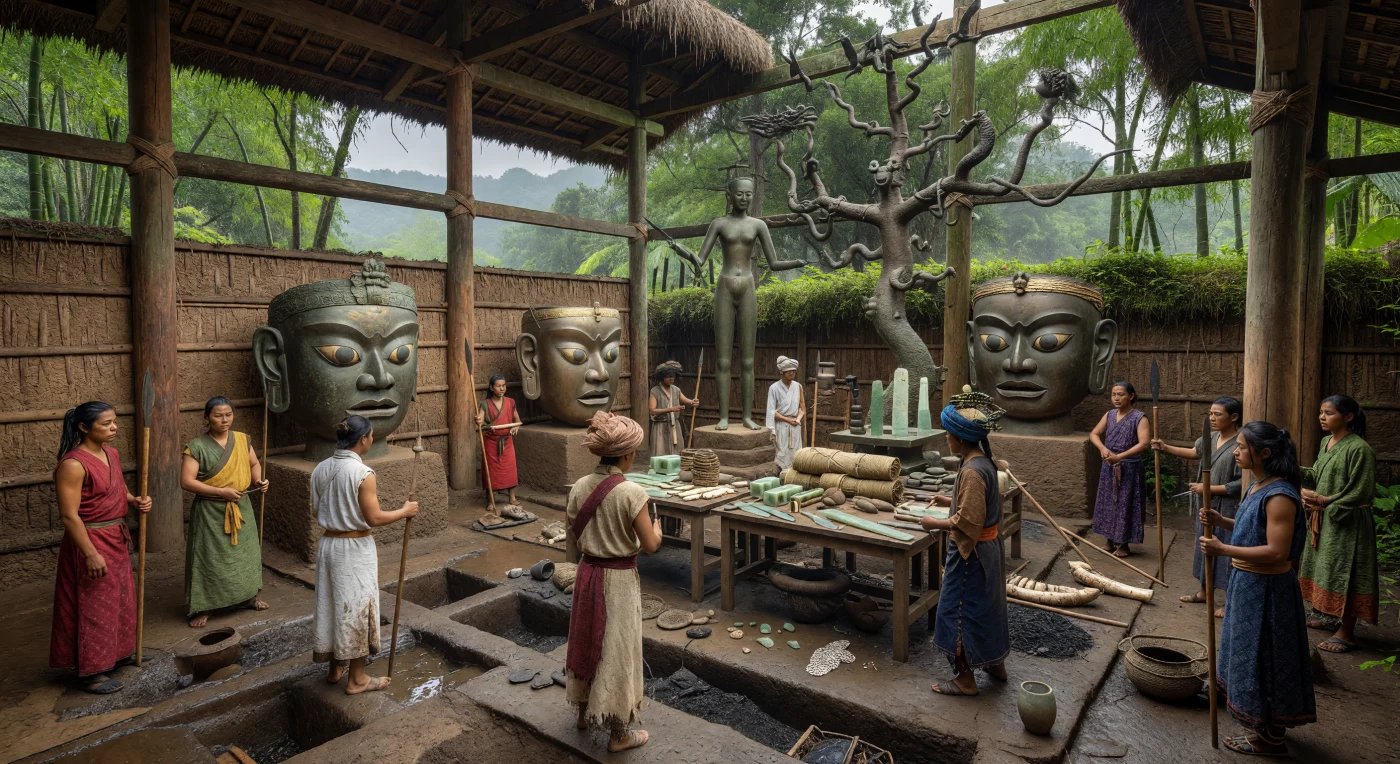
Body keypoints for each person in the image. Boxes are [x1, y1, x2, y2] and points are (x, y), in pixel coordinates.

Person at [1200, 422, 1315, 756]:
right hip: (1248, 584)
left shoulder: (1280, 496)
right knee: (1250, 655)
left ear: (1264, 453)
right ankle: (1261, 728)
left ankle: (1271, 740)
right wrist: (1223, 523)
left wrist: (1223, 549)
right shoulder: (1258, 486)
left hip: (1269, 591)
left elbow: (1277, 551)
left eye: (1241, 447)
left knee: (1267, 657)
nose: (1235, 452)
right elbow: (1254, 529)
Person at [565, 412, 662, 752]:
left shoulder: (579, 486)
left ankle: (583, 713)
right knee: (617, 651)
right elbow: (650, 545)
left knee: (585, 641)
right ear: (627, 455)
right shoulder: (632, 492)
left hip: (587, 574)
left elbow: (572, 539)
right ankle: (619, 735)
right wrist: (658, 530)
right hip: (618, 582)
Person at [310, 415, 418, 695]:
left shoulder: (320, 468)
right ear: (363, 440)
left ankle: (335, 667)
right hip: (353, 549)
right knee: (357, 607)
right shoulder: (362, 473)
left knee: (333, 603)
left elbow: (315, 510)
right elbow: (374, 518)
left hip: (329, 545)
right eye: (370, 435)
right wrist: (404, 511)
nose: (371, 439)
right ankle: (357, 679)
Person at [50, 401, 152, 694]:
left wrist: (134, 501)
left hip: (116, 538)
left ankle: (118, 654)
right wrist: (90, 554)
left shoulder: (112, 453)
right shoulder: (73, 465)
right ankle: (92, 672)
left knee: (120, 599)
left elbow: (116, 487)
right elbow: (69, 516)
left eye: (114, 421)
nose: (114, 427)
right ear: (84, 427)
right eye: (106, 424)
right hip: (90, 540)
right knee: (94, 605)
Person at [921, 386, 1009, 697]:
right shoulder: (983, 462)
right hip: (989, 550)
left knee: (956, 612)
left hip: (972, 555)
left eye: (948, 434)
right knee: (988, 608)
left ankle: (965, 680)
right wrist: (949, 498)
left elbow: (968, 521)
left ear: (959, 438)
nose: (946, 438)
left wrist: (934, 523)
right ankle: (996, 665)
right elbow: (979, 504)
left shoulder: (972, 471)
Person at [1299, 394, 1379, 653]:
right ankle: (1328, 617)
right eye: (1321, 412)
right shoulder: (1326, 442)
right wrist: (1291, 467)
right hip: (1326, 520)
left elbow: (1361, 491)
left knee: (1348, 572)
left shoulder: (1359, 449)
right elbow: (1317, 475)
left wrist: (1323, 500)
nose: (1322, 417)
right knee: (1327, 569)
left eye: (1329, 413)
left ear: (1348, 417)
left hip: (1348, 521)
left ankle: (1347, 633)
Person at [182, 397, 270, 628]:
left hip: (241, 507)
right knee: (210, 558)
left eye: (228, 415)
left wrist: (259, 480)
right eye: (218, 415)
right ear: (206, 418)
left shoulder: (242, 439)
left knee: (244, 556)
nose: (224, 420)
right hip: (210, 512)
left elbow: (254, 464)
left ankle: (247, 597)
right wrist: (220, 492)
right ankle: (204, 606)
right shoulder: (196, 447)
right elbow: (187, 481)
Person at [1153, 396, 1243, 616]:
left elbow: (1242, 483)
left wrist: (1209, 488)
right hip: (1205, 503)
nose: (1212, 418)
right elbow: (1195, 452)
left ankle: (1229, 600)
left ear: (1233, 417)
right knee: (1203, 545)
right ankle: (1204, 591)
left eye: (1217, 414)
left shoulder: (1240, 443)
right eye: (1210, 413)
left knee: (1225, 549)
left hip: (1228, 507)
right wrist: (1165, 447)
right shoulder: (1210, 437)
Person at [1089, 382, 1150, 557]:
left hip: (1130, 469)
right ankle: (1109, 540)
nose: (1116, 398)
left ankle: (1124, 544)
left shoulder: (1139, 418)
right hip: (1109, 468)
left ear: (1131, 396)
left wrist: (1120, 457)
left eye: (1121, 394)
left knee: (1126, 503)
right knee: (1108, 502)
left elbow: (1144, 444)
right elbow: (1094, 434)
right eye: (1113, 394)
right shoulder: (1109, 415)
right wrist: (1102, 448)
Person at [474, 375, 522, 507]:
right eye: (498, 386)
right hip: (491, 442)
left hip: (507, 441)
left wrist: (515, 427)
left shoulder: (511, 402)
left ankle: (512, 497)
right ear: (491, 388)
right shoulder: (485, 404)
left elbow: (517, 420)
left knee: (510, 470)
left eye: (504, 385)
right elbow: (480, 422)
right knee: (491, 472)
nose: (502, 388)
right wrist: (478, 420)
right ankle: (491, 500)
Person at [765, 356, 805, 471]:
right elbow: (772, 411)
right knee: (782, 453)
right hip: (781, 425)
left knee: (796, 453)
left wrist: (798, 419)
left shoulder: (798, 386)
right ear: (782, 372)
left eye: (793, 371)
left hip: (795, 425)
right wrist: (788, 420)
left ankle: (794, 476)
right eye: (788, 371)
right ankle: (781, 475)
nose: (791, 373)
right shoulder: (774, 388)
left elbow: (802, 407)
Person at [648, 361, 696, 457]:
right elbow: (652, 410)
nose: (672, 379)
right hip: (661, 427)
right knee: (661, 451)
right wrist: (671, 409)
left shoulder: (676, 390)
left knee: (676, 452)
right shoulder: (655, 391)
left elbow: (685, 400)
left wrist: (692, 402)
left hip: (674, 426)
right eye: (669, 376)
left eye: (673, 376)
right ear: (662, 377)